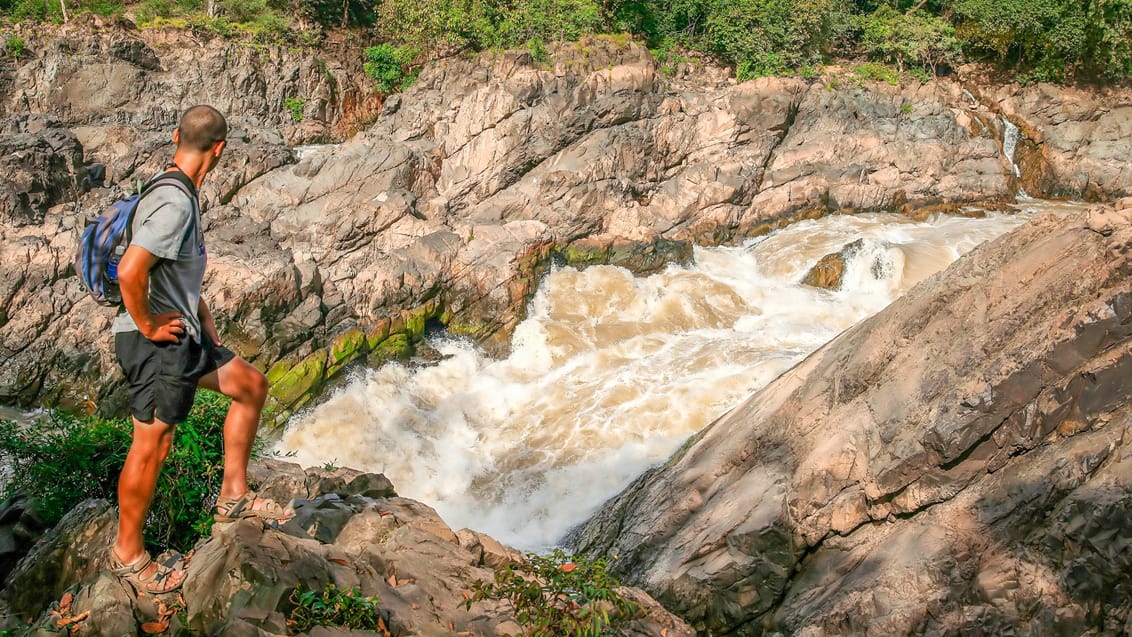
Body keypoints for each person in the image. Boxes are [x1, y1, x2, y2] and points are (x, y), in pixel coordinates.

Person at [108, 105, 292, 595]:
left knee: (251, 386)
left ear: (174, 137)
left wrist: (201, 309)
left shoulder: (166, 188)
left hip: (184, 332)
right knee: (152, 447)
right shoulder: (176, 203)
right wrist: (148, 323)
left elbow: (169, 267)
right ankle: (128, 553)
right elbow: (131, 270)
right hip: (157, 342)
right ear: (221, 149)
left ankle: (233, 495)